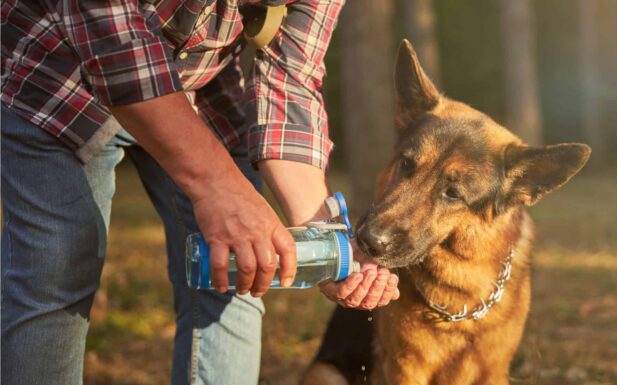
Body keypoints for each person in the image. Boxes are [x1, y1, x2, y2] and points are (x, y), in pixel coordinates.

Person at [0, 1, 400, 384]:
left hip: (196, 83)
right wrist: (220, 188)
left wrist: (326, 239)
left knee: (239, 273)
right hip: (56, 69)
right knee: (58, 264)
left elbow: (290, 81)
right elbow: (115, 43)